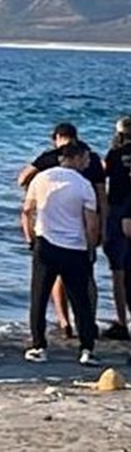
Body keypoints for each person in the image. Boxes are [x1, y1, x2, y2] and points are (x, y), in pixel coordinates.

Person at [17, 123, 106, 339]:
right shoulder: (91, 161)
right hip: (82, 225)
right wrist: (102, 227)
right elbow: (102, 195)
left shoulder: (47, 159)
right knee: (84, 280)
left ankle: (63, 322)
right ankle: (88, 326)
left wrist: (30, 235)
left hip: (47, 232)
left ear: (57, 137)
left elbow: (22, 181)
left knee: (50, 282)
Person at [102, 116, 131, 340]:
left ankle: (123, 321)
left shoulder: (115, 154)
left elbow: (103, 178)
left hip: (119, 210)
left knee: (118, 271)